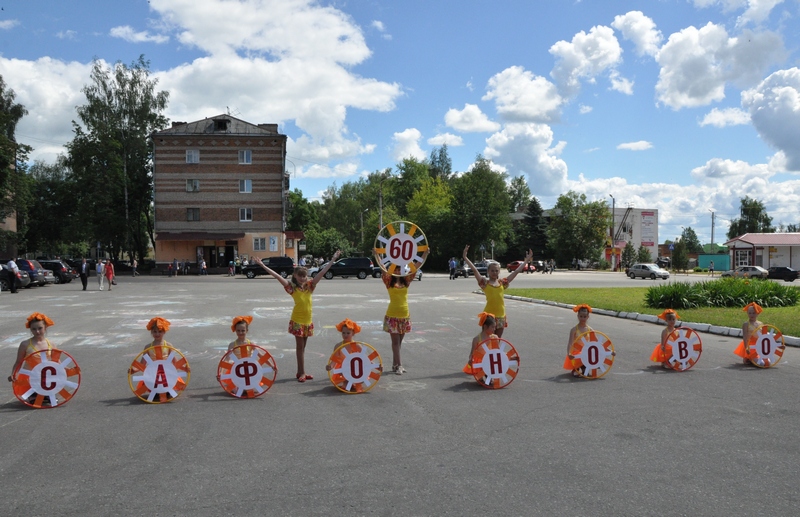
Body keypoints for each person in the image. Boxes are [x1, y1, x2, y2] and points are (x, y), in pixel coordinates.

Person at [254, 250, 341, 382]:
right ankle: (302, 373)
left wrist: (333, 259)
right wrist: (262, 265)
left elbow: (322, 273)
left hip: (308, 321)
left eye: (304, 276)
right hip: (297, 321)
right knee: (299, 348)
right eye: (300, 276)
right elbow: (278, 277)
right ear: (295, 275)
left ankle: (300, 371)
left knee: (303, 348)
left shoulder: (310, 286)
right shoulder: (292, 288)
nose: (303, 278)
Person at [376, 248, 429, 375]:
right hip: (392, 315)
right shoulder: (389, 282)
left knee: (399, 343)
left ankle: (395, 364)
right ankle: (399, 365)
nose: (398, 271)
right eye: (395, 269)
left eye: (399, 268)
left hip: (404, 315)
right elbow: (382, 267)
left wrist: (425, 253)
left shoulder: (407, 280)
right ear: (392, 270)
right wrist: (377, 255)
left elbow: (416, 266)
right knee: (395, 342)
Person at [463, 245, 532, 339]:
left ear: (499, 272)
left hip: (501, 316)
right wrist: (465, 257)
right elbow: (475, 271)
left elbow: (516, 271)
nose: (494, 272)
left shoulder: (502, 283)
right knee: (486, 340)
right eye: (492, 270)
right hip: (488, 316)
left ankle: (495, 354)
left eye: (496, 271)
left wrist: (526, 261)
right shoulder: (485, 283)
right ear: (488, 271)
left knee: (496, 340)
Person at [8, 313, 56, 385]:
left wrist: (72, 371)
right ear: (30, 329)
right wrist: (14, 374)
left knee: (48, 396)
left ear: (45, 327)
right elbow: (18, 362)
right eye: (34, 329)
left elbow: (57, 363)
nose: (37, 331)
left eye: (40, 328)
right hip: (29, 380)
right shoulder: (25, 344)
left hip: (47, 382)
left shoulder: (51, 344)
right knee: (33, 396)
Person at [564, 304, 593, 377]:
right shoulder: (574, 330)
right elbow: (570, 343)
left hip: (586, 352)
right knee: (581, 354)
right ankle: (577, 368)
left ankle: (584, 368)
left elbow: (597, 343)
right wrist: (569, 353)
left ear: (588, 317)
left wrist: (609, 351)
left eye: (585, 316)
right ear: (578, 316)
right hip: (576, 352)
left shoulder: (590, 330)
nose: (583, 318)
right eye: (581, 316)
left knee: (590, 352)